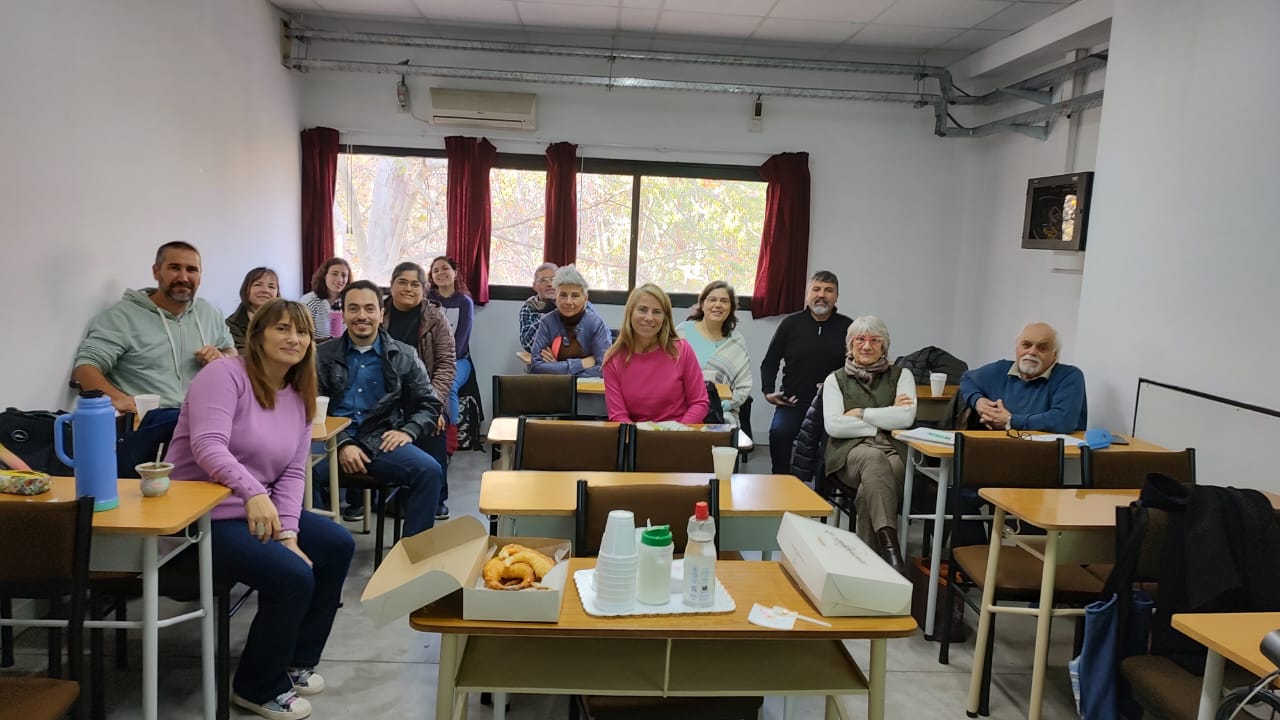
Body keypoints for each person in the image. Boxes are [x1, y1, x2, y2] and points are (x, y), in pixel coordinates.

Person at [165, 299, 353, 720]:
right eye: (282, 329)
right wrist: (253, 493)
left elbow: (291, 475)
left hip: (257, 510)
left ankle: (294, 661)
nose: (294, 338)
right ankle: (256, 686)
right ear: (258, 335)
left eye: (302, 332)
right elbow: (207, 445)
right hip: (202, 514)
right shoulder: (223, 375)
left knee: (336, 544)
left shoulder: (301, 396)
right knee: (291, 576)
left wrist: (287, 532)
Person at [72, 241, 236, 475]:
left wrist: (222, 357)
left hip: (208, 422)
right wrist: (119, 399)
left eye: (192, 270)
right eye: (174, 268)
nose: (183, 277)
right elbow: (85, 368)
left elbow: (232, 353)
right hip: (155, 427)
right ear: (156, 271)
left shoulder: (209, 313)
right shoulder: (122, 317)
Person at [314, 280, 444, 536]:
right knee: (295, 473)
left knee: (429, 471)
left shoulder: (404, 354)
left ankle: (411, 555)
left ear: (381, 314)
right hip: (331, 442)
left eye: (369, 308)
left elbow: (429, 403)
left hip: (381, 442)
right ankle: (322, 547)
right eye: (353, 308)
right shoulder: (322, 355)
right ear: (344, 313)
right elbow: (309, 406)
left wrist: (408, 431)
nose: (361, 316)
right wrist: (341, 443)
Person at [821, 317, 916, 573]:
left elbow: (906, 418)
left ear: (884, 346)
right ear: (850, 345)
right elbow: (834, 426)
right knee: (874, 461)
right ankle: (892, 551)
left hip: (894, 450)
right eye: (860, 340)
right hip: (849, 453)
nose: (866, 346)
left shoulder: (902, 375)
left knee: (869, 492)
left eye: (875, 340)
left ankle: (866, 566)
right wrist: (885, 419)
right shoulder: (835, 379)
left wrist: (861, 413)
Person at [379, 261, 456, 522]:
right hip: (385, 397)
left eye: (415, 284)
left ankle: (436, 497)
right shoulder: (378, 313)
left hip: (425, 395)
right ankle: (375, 497)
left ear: (424, 290)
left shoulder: (435, 317)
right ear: (391, 285)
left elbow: (446, 364)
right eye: (402, 282)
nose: (408, 288)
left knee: (434, 425)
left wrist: (433, 405)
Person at [760, 270, 853, 474]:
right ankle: (781, 485)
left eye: (829, 290)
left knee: (829, 449)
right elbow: (770, 362)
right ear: (807, 294)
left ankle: (822, 495)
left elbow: (856, 366)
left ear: (836, 296)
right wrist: (768, 391)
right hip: (793, 402)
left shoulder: (849, 327)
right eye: (816, 289)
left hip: (833, 405)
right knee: (779, 434)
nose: (822, 294)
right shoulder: (790, 324)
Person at [603, 284, 709, 423]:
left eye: (657, 312)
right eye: (642, 310)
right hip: (637, 438)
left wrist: (678, 434)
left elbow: (699, 403)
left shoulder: (682, 350)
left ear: (665, 318)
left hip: (680, 435)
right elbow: (618, 415)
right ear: (630, 313)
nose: (649, 317)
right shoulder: (613, 359)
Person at [959, 322, 1088, 433]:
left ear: (1054, 355)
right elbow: (967, 378)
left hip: (1047, 454)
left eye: (1042, 348)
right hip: (998, 448)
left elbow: (1062, 421)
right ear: (1017, 348)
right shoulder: (1000, 370)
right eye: (1026, 345)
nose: (1032, 352)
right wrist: (978, 401)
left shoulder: (1069, 376)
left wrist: (1010, 421)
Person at [675, 281, 753, 426]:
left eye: (724, 301)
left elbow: (744, 387)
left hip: (720, 412)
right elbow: (667, 375)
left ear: (731, 308)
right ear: (702, 304)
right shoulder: (682, 332)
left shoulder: (736, 341)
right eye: (712, 300)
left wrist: (725, 405)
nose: (718, 305)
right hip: (681, 407)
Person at [529, 265, 611, 378]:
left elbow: (603, 368)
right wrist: (581, 364)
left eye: (575, 296)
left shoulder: (596, 323)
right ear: (556, 297)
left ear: (585, 298)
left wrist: (557, 368)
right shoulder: (547, 322)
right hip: (553, 389)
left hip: (586, 392)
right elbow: (536, 367)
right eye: (563, 295)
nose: (568, 301)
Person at [427, 256, 474, 432]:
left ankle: (450, 437)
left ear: (455, 273)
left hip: (458, 360)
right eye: (436, 270)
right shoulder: (426, 299)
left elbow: (461, 342)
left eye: (445, 268)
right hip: (427, 359)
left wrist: (441, 364)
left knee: (449, 385)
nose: (440, 273)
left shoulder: (464, 302)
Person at [226, 267, 280, 354]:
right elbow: (242, 356)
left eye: (271, 286)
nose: (265, 290)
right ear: (246, 289)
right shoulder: (232, 324)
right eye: (258, 284)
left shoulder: (287, 319)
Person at [301, 257, 351, 342]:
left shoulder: (349, 301)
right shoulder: (310, 301)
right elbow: (302, 334)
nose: (340, 279)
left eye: (344, 275)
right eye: (334, 274)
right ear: (324, 275)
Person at [518, 262, 558, 353]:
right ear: (534, 286)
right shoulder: (529, 307)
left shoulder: (574, 303)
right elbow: (528, 344)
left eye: (553, 279)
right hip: (543, 361)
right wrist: (553, 312)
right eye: (543, 280)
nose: (549, 284)